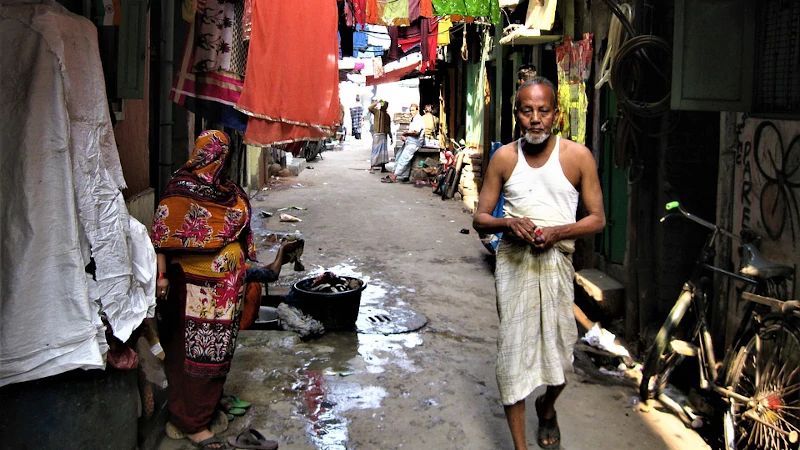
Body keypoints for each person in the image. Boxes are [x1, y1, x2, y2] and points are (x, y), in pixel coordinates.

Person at [472, 77, 605, 450]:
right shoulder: (504, 158)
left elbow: (597, 219)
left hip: (556, 266)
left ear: (556, 115)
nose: (535, 119)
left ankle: (547, 405)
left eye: (543, 111)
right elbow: (480, 218)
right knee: (512, 356)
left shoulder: (578, 157)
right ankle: (520, 447)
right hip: (514, 266)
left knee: (561, 358)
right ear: (517, 115)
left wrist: (559, 231)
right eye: (527, 111)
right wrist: (508, 223)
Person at [151, 130, 258, 450]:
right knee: (192, 356)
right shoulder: (179, 189)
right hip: (191, 291)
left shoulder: (226, 190)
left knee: (216, 354)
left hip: (222, 295)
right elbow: (161, 235)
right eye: (220, 154)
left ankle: (205, 409)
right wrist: (161, 278)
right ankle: (191, 422)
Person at [382, 103, 423, 183]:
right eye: (410, 110)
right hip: (410, 141)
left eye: (413, 110)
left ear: (417, 110)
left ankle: (394, 176)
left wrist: (406, 134)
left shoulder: (418, 119)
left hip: (414, 143)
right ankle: (399, 174)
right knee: (399, 156)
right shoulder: (414, 119)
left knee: (404, 159)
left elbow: (416, 132)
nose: (411, 112)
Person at [368, 99, 393, 173]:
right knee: (375, 151)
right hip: (377, 134)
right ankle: (372, 167)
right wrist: (377, 102)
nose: (384, 107)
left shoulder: (387, 116)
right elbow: (369, 108)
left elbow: (389, 127)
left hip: (384, 135)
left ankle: (383, 167)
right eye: (383, 105)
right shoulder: (376, 112)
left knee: (383, 153)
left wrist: (391, 136)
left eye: (385, 105)